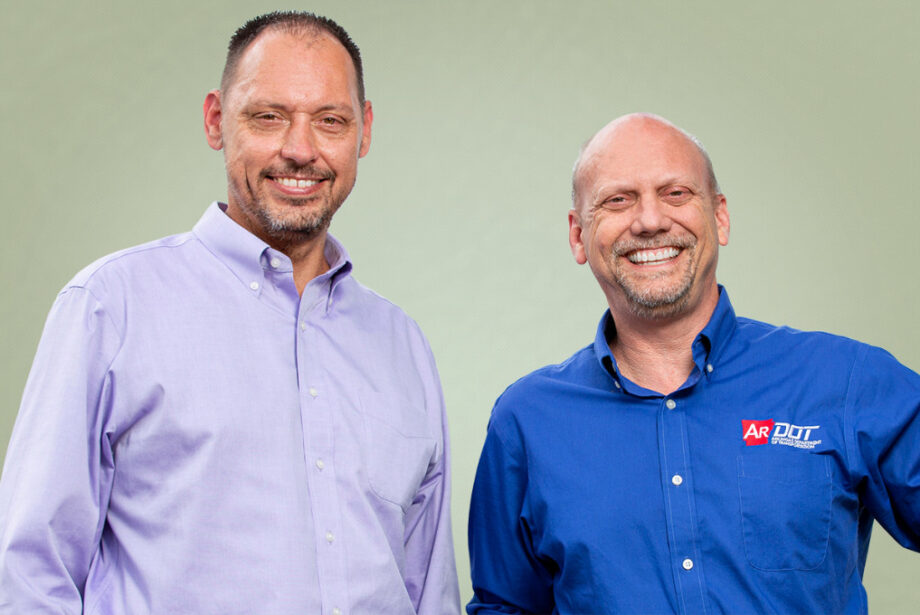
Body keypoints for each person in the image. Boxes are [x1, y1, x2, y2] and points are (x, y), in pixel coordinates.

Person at [0, 11, 459, 614]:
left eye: (330, 121)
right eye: (269, 117)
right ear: (217, 120)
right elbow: (30, 576)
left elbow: (429, 591)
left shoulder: (403, 346)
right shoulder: (111, 308)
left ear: (363, 132)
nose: (300, 150)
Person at [466, 113, 920, 614]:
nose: (650, 220)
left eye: (676, 193)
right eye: (618, 200)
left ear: (719, 217)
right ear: (578, 235)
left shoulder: (845, 380)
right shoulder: (527, 422)